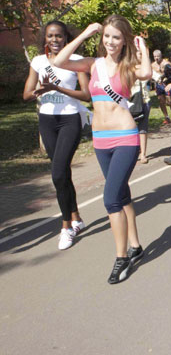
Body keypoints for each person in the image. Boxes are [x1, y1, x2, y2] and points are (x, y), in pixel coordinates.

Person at [54, 15, 152, 284]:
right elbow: (59, 61)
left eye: (116, 37)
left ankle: (121, 259)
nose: (110, 42)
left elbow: (146, 73)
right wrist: (84, 34)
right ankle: (135, 246)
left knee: (110, 199)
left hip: (125, 137)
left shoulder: (128, 65)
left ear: (124, 41)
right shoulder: (92, 64)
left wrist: (142, 48)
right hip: (100, 139)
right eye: (107, 36)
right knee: (122, 193)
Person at [23, 20, 91, 250]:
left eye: (59, 36)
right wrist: (38, 91)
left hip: (70, 119)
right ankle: (76, 217)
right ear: (45, 38)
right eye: (50, 36)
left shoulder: (75, 61)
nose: (54, 40)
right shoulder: (38, 62)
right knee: (62, 173)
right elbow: (26, 94)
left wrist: (58, 88)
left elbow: (86, 94)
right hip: (47, 120)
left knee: (58, 173)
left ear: (66, 38)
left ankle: (66, 228)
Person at [131, 49, 152, 164]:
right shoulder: (128, 67)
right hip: (130, 102)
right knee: (130, 128)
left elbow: (154, 75)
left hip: (144, 101)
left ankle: (143, 154)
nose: (142, 55)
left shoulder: (146, 68)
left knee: (143, 128)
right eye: (140, 53)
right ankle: (133, 152)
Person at [151, 49, 171, 124]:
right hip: (158, 85)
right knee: (161, 101)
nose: (156, 58)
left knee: (169, 101)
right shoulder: (153, 65)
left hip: (166, 84)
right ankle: (166, 117)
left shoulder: (166, 63)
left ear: (161, 56)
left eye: (158, 56)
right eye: (155, 56)